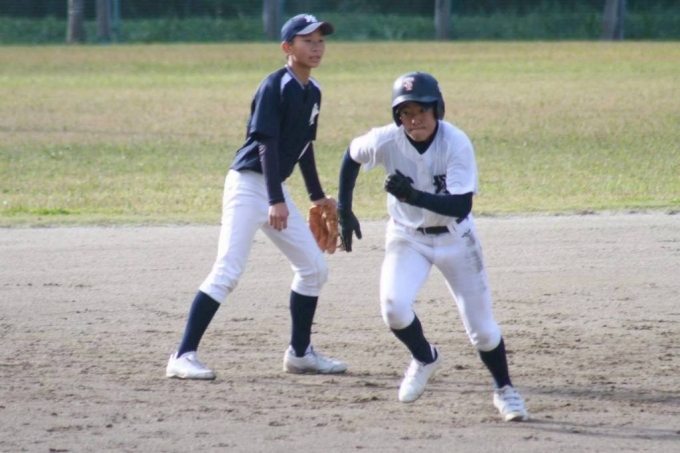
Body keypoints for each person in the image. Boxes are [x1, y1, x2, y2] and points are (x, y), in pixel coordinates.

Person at [336, 72, 529, 421]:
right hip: (407, 237)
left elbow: (461, 206)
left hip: (456, 238)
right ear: (397, 116)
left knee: (483, 331)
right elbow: (351, 155)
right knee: (394, 309)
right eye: (406, 112)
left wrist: (413, 196)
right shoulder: (386, 139)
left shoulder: (455, 142)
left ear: (437, 109)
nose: (415, 119)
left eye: (422, 110)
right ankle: (425, 358)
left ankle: (505, 390)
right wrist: (344, 210)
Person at [166, 13, 347, 380]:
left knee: (314, 268)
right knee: (228, 270)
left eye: (320, 41)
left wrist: (317, 196)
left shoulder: (313, 90)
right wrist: (275, 199)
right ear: (287, 47)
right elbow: (266, 142)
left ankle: (300, 354)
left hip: (273, 188)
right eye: (307, 40)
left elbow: (304, 146)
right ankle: (182, 356)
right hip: (249, 185)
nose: (316, 47)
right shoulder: (274, 85)